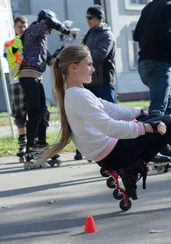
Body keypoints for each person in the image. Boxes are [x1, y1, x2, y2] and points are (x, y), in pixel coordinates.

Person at [44, 45, 171, 201]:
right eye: (89, 64)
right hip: (112, 154)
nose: (93, 69)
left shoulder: (78, 93)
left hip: (108, 151)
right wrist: (146, 127)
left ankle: (135, 167)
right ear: (73, 67)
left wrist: (141, 113)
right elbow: (109, 126)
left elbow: (112, 109)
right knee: (168, 123)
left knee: (158, 119)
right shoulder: (78, 96)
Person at [133, 0, 171, 160]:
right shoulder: (170, 6)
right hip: (158, 63)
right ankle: (149, 151)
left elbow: (136, 34)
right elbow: (167, 36)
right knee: (157, 111)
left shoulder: (149, 6)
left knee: (168, 106)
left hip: (144, 63)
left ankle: (162, 145)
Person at [19, 9, 70, 164]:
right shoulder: (32, 30)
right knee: (35, 113)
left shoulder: (40, 38)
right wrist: (63, 29)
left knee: (44, 112)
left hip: (36, 77)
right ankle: (30, 150)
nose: (49, 31)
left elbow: (49, 61)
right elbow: (49, 23)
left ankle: (41, 145)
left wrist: (62, 50)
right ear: (43, 21)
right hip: (28, 77)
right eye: (49, 29)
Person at [73, 5, 117, 161]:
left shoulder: (107, 35)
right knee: (87, 117)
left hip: (104, 81)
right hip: (89, 81)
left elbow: (100, 55)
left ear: (99, 18)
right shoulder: (89, 35)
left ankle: (115, 146)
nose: (87, 21)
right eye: (86, 17)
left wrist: (82, 55)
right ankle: (85, 149)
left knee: (108, 115)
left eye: (90, 17)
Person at [4, 15, 28, 162]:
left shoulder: (33, 41)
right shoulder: (10, 43)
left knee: (34, 112)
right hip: (16, 82)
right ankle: (22, 145)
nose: (23, 29)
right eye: (20, 26)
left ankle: (35, 142)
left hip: (32, 80)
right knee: (19, 114)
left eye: (25, 26)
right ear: (14, 28)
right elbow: (15, 58)